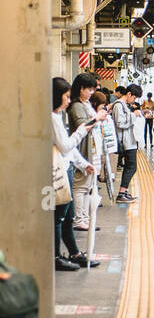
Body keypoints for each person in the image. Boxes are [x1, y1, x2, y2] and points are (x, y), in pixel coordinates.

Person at [52, 78, 106, 270]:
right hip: (57, 172)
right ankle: (56, 257)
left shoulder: (58, 116)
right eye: (65, 97)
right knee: (59, 216)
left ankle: (74, 253)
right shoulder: (52, 117)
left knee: (67, 216)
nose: (68, 101)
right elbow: (66, 145)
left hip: (65, 168)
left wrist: (83, 164)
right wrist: (82, 131)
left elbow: (67, 148)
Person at [67, 74, 98, 229]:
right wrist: (97, 118)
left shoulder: (84, 104)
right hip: (81, 150)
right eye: (89, 89)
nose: (91, 92)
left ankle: (84, 219)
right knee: (80, 187)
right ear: (81, 89)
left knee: (86, 187)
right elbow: (82, 126)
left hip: (87, 150)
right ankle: (79, 220)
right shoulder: (76, 106)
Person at [110, 85, 140, 204]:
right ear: (129, 94)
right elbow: (120, 123)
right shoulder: (118, 105)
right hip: (125, 142)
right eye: (134, 97)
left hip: (130, 141)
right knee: (131, 167)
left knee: (130, 166)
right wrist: (134, 115)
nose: (134, 100)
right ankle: (121, 193)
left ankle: (124, 192)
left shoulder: (123, 106)